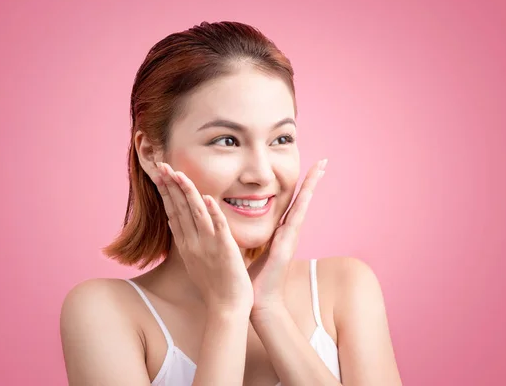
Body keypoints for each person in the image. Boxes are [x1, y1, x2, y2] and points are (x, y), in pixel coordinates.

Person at [60, 21, 403, 386]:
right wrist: (228, 312)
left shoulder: (345, 287)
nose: (260, 173)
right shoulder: (105, 312)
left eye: (281, 138)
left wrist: (269, 311)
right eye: (226, 141)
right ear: (150, 152)